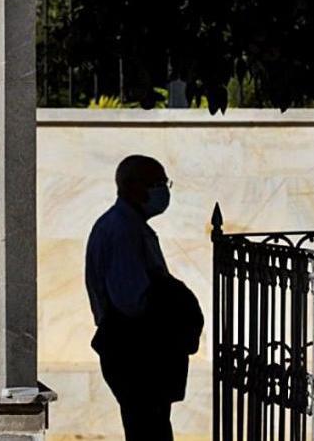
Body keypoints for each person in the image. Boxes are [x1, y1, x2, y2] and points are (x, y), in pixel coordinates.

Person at [85, 155, 203, 441]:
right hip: (137, 353)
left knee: (151, 427)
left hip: (140, 352)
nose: (163, 190)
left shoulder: (128, 226)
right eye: (157, 183)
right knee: (148, 429)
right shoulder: (123, 230)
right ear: (133, 186)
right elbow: (133, 301)